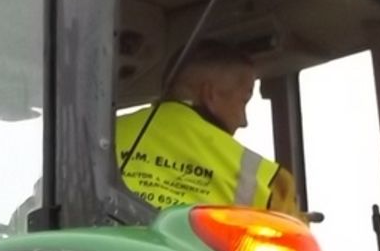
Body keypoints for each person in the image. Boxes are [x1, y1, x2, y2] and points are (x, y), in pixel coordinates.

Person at [114, 42, 298, 215]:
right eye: (244, 101)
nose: (244, 121)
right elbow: (291, 242)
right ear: (211, 95)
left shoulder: (103, 134)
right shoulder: (270, 181)